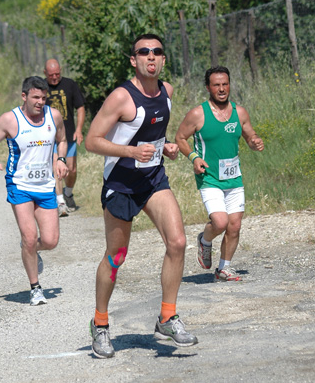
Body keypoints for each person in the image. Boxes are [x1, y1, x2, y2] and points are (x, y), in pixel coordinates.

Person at [85, 34, 198, 359]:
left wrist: (169, 148)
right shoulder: (122, 97)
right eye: (144, 52)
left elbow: (155, 136)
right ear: (133, 60)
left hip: (153, 179)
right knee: (116, 256)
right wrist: (130, 151)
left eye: (157, 52)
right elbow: (92, 140)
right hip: (121, 183)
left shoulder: (168, 92)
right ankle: (101, 323)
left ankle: (167, 316)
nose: (152, 57)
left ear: (163, 59)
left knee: (177, 242)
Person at [0, 76, 69, 306]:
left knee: (50, 241)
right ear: (24, 96)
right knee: (30, 237)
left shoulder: (54, 116)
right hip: (19, 185)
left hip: (46, 186)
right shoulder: (10, 120)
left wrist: (60, 159)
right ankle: (35, 288)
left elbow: (62, 139)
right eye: (36, 97)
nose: (40, 102)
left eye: (44, 97)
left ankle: (29, 249)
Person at [175, 66, 264, 282]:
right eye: (216, 85)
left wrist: (254, 142)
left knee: (235, 225)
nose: (222, 89)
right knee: (221, 222)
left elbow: (250, 135)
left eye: (225, 84)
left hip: (234, 177)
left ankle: (224, 269)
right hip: (210, 177)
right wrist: (194, 158)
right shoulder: (198, 114)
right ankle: (205, 241)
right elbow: (180, 138)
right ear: (208, 87)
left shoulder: (239, 112)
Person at [44, 59, 85, 216]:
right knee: (57, 166)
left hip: (68, 134)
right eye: (51, 75)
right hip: (50, 137)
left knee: (71, 169)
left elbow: (80, 107)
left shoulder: (70, 85)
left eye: (57, 74)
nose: (54, 78)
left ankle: (68, 194)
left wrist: (79, 129)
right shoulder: (41, 87)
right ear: (44, 73)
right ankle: (60, 202)